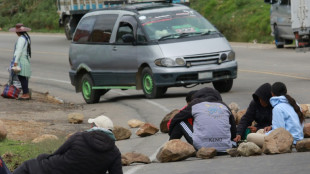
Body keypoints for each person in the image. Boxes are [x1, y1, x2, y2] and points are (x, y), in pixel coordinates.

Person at [13, 115, 123, 174]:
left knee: (28, 165)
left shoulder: (79, 137)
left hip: (51, 170)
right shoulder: (114, 153)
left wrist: (42, 157)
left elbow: (57, 153)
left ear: (93, 127)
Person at [169, 87, 236, 154]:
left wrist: (170, 132)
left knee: (181, 122)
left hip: (202, 148)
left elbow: (176, 118)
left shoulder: (195, 103)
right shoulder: (224, 106)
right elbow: (233, 130)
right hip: (225, 148)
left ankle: (169, 148)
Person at [247, 82, 304, 147]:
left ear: (272, 94)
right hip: (298, 138)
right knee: (260, 131)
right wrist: (271, 127)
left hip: (286, 141)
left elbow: (279, 132)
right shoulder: (295, 104)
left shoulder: (278, 108)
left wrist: (270, 132)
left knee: (250, 137)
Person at [9, 23, 32, 100]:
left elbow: (19, 51)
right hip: (26, 58)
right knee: (24, 77)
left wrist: (15, 61)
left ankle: (25, 94)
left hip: (21, 59)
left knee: (21, 77)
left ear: (18, 32)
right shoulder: (27, 37)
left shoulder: (21, 39)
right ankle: (26, 93)